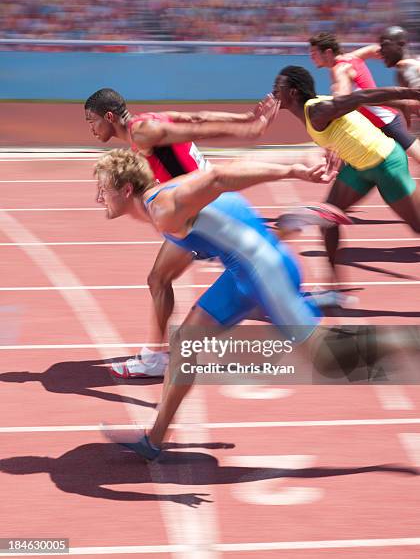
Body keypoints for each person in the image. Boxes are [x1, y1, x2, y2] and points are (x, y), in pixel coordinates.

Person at [95, 148, 338, 459]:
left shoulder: (165, 209)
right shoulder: (163, 200)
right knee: (184, 343)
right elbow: (221, 225)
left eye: (103, 190)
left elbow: (221, 175)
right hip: (245, 269)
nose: (99, 198)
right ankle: (154, 440)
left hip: (265, 274)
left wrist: (295, 170)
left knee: (330, 360)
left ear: (126, 189)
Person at [84, 88, 278, 378]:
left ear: (109, 116)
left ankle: (154, 359)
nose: (90, 128)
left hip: (203, 213)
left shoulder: (142, 133)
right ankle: (155, 356)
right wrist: (245, 117)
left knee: (163, 279)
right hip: (200, 211)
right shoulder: (147, 124)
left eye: (92, 120)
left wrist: (250, 129)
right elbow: (196, 117)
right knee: (166, 279)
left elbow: (199, 128)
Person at [272, 65, 420, 273]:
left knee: (418, 225)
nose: (273, 92)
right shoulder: (310, 113)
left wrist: (410, 93)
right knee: (327, 218)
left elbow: (360, 98)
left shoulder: (317, 110)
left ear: (293, 92)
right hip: (358, 167)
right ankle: (333, 291)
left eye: (277, 87)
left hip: (385, 161)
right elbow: (344, 132)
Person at [308, 32, 420, 161]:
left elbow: (341, 102)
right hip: (377, 123)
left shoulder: (339, 70)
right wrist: (403, 58)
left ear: (327, 52)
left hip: (383, 121)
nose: (311, 57)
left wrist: (335, 95)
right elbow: (374, 49)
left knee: (414, 151)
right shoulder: (352, 57)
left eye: (314, 53)